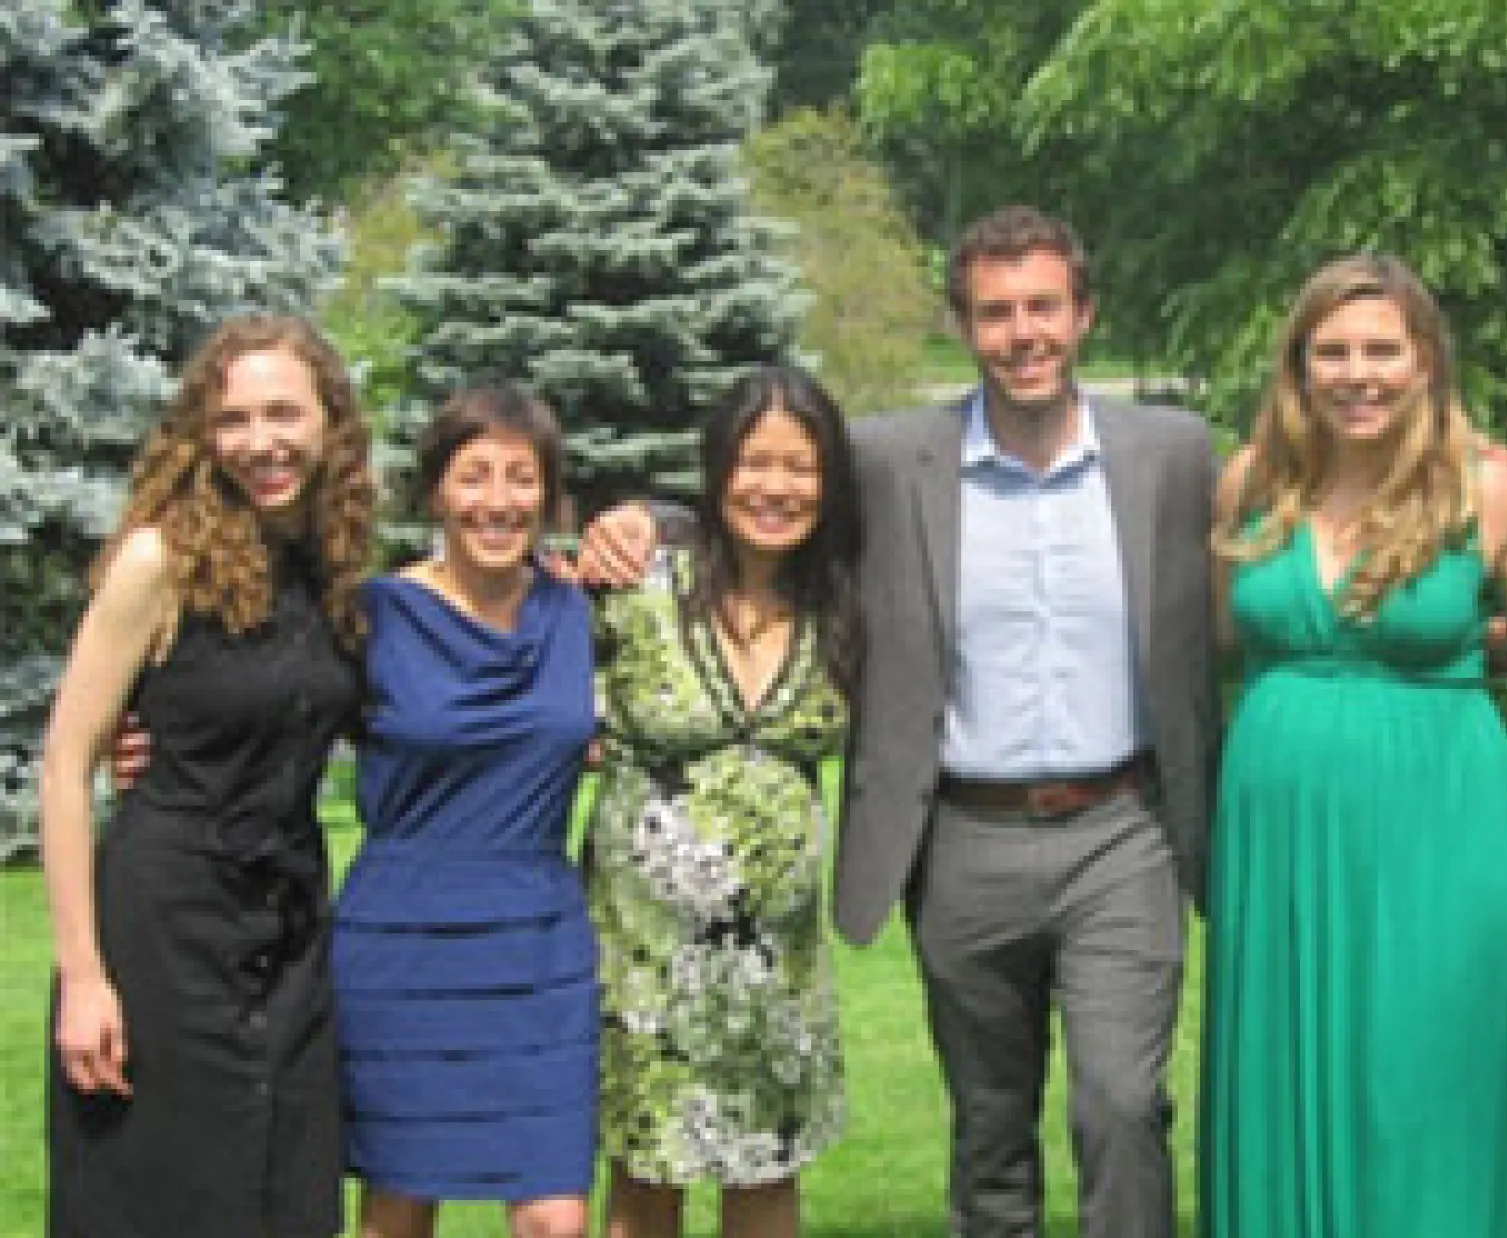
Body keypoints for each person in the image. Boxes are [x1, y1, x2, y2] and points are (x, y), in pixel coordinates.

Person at [583, 205, 1218, 1237]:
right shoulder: (891, 460)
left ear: (1084, 314)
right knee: (988, 1125)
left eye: (1043, 307)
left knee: (1122, 1102)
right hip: (961, 838)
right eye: (996, 312)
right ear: (966, 326)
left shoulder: (1173, 453)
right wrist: (643, 521)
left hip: (1122, 830)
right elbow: (764, 495)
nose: (1023, 334)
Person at [1200, 254, 1507, 1238]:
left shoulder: (1491, 491)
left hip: (1438, 822)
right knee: (1280, 1069)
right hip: (1279, 834)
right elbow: (1218, 644)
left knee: (1425, 1075)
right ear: (1297, 366)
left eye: (1380, 348)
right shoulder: (1251, 483)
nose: (1356, 373)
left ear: (1425, 359)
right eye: (1329, 351)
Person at [41, 313, 376, 1236]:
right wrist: (83, 977)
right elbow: (67, 764)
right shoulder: (161, 562)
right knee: (159, 1199)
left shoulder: (334, 569)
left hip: (292, 938)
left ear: (330, 422)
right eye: (233, 420)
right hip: (161, 933)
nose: (260, 442)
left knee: (288, 1202)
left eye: (284, 414)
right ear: (201, 433)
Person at [587, 366, 862, 1238]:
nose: (775, 487)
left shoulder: (843, 606)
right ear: (716, 471)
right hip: (642, 965)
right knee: (643, 1183)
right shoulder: (640, 585)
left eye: (800, 467)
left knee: (765, 1180)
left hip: (776, 976)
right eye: (754, 463)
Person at [334, 388, 597, 1238]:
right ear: (436, 492)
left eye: (521, 478)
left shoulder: (579, 609)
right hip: (403, 943)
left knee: (554, 1216)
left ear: (549, 496)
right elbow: (272, 718)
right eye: (473, 476)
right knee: (398, 1210)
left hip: (537, 941)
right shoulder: (372, 617)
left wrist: (636, 520)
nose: (498, 500)